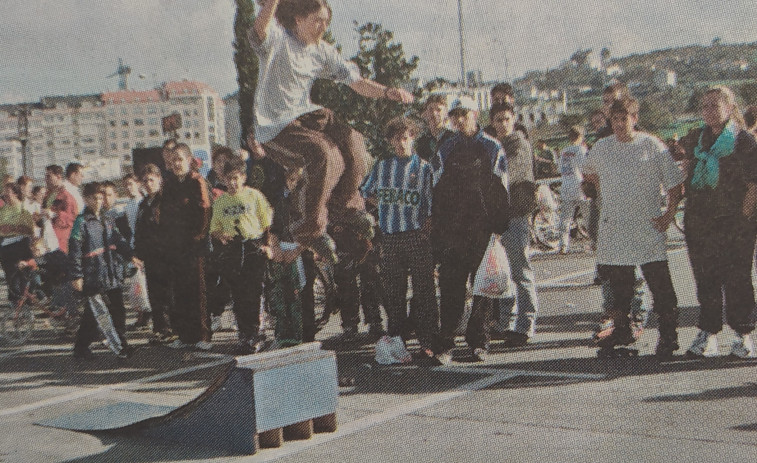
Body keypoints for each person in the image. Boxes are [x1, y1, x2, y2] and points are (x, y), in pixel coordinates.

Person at [249, 0, 414, 263]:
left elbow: (356, 82)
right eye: (318, 21)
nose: (323, 27)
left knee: (354, 144)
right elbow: (259, 29)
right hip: (275, 127)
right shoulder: (277, 39)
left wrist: (386, 92)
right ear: (298, 20)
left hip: (306, 114)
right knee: (325, 154)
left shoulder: (322, 51)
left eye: (327, 22)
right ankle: (308, 228)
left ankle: (346, 206)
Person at [583, 97, 684, 358]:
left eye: (624, 118)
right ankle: (622, 331)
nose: (618, 124)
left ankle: (669, 336)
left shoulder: (652, 145)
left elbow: (675, 186)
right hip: (615, 228)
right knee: (619, 288)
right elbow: (588, 173)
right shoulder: (602, 147)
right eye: (614, 119)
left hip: (647, 228)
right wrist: (602, 191)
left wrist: (668, 215)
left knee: (660, 286)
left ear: (635, 118)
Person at [431, 96, 510, 364]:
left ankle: (479, 342)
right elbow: (436, 191)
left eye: (464, 114)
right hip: (453, 231)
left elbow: (502, 190)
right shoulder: (445, 148)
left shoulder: (492, 147)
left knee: (482, 289)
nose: (459, 119)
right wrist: (438, 232)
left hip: (482, 229)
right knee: (451, 288)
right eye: (455, 115)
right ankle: (445, 344)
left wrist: (498, 229)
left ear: (475, 114)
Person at [683, 86, 757, 358]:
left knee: (737, 278)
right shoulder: (695, 138)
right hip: (700, 221)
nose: (709, 111)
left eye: (715, 105)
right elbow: (685, 170)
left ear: (729, 107)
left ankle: (743, 334)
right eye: (704, 106)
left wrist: (744, 219)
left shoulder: (743, 141)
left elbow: (753, 185)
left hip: (734, 223)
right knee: (706, 278)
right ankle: (708, 332)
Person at [361, 117, 439, 364]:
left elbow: (432, 204)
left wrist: (427, 227)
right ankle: (397, 341)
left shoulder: (424, 168)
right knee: (394, 293)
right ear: (390, 141)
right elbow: (364, 191)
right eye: (397, 138)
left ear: (413, 138)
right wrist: (383, 206)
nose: (402, 143)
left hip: (416, 235)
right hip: (390, 237)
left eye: (406, 138)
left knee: (424, 291)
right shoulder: (382, 166)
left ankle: (428, 342)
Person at [210, 157, 274, 354]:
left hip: (254, 247)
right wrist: (221, 235)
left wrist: (268, 245)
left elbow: (267, 224)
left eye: (236, 178)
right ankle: (244, 334)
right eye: (229, 179)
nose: (233, 183)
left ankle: (257, 334)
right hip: (234, 250)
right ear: (224, 180)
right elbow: (214, 229)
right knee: (238, 295)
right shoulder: (221, 202)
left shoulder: (254, 196)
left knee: (254, 293)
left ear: (244, 177)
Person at [488, 103, 540, 347]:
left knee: (520, 271)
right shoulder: (493, 146)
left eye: (506, 119)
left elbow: (508, 175)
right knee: (503, 272)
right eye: (498, 120)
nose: (502, 124)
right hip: (498, 216)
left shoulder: (518, 144)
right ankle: (505, 322)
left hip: (515, 215)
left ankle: (526, 324)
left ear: (514, 120)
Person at [70, 182, 140, 359]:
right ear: (86, 199)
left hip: (111, 273)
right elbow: (75, 250)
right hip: (93, 275)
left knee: (115, 310)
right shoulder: (82, 222)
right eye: (94, 198)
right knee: (98, 313)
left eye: (101, 198)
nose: (99, 201)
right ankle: (117, 348)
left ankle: (92, 345)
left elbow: (119, 240)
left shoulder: (108, 219)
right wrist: (77, 275)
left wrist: (131, 255)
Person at [160, 143, 213, 351]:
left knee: (198, 292)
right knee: (180, 292)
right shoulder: (169, 183)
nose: (176, 164)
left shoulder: (197, 181)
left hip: (195, 248)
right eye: (173, 160)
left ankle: (203, 335)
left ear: (189, 161)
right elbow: (163, 214)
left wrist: (197, 239)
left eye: (180, 159)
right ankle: (184, 334)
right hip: (175, 247)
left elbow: (205, 212)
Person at [134, 164, 176, 344]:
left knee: (170, 293)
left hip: (167, 255)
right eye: (145, 181)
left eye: (152, 179)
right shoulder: (143, 204)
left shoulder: (167, 200)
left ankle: (173, 329)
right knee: (155, 294)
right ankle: (160, 329)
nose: (149, 184)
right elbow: (139, 231)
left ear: (160, 180)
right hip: (151, 257)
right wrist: (137, 253)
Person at [0, 182, 36, 305]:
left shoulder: (23, 209)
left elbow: (31, 230)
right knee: (10, 275)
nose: (4, 194)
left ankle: (26, 301)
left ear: (15, 193)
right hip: (6, 246)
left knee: (22, 275)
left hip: (21, 245)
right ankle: (15, 303)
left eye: (7, 192)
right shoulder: (3, 210)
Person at [557, 125, 588, 254]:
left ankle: (563, 245)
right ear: (581, 137)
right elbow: (585, 168)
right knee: (588, 216)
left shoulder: (564, 151)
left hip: (566, 185)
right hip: (579, 185)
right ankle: (595, 242)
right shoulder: (581, 150)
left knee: (565, 218)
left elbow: (560, 169)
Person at [43, 165, 78, 254]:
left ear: (58, 176)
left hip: (61, 242)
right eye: (45, 176)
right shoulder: (47, 196)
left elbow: (71, 218)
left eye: (49, 176)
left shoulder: (66, 196)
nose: (46, 179)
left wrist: (53, 214)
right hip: (47, 241)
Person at [415, 94, 454, 162]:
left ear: (446, 113)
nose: (434, 113)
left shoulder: (453, 139)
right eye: (431, 109)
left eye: (439, 110)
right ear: (426, 113)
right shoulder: (421, 141)